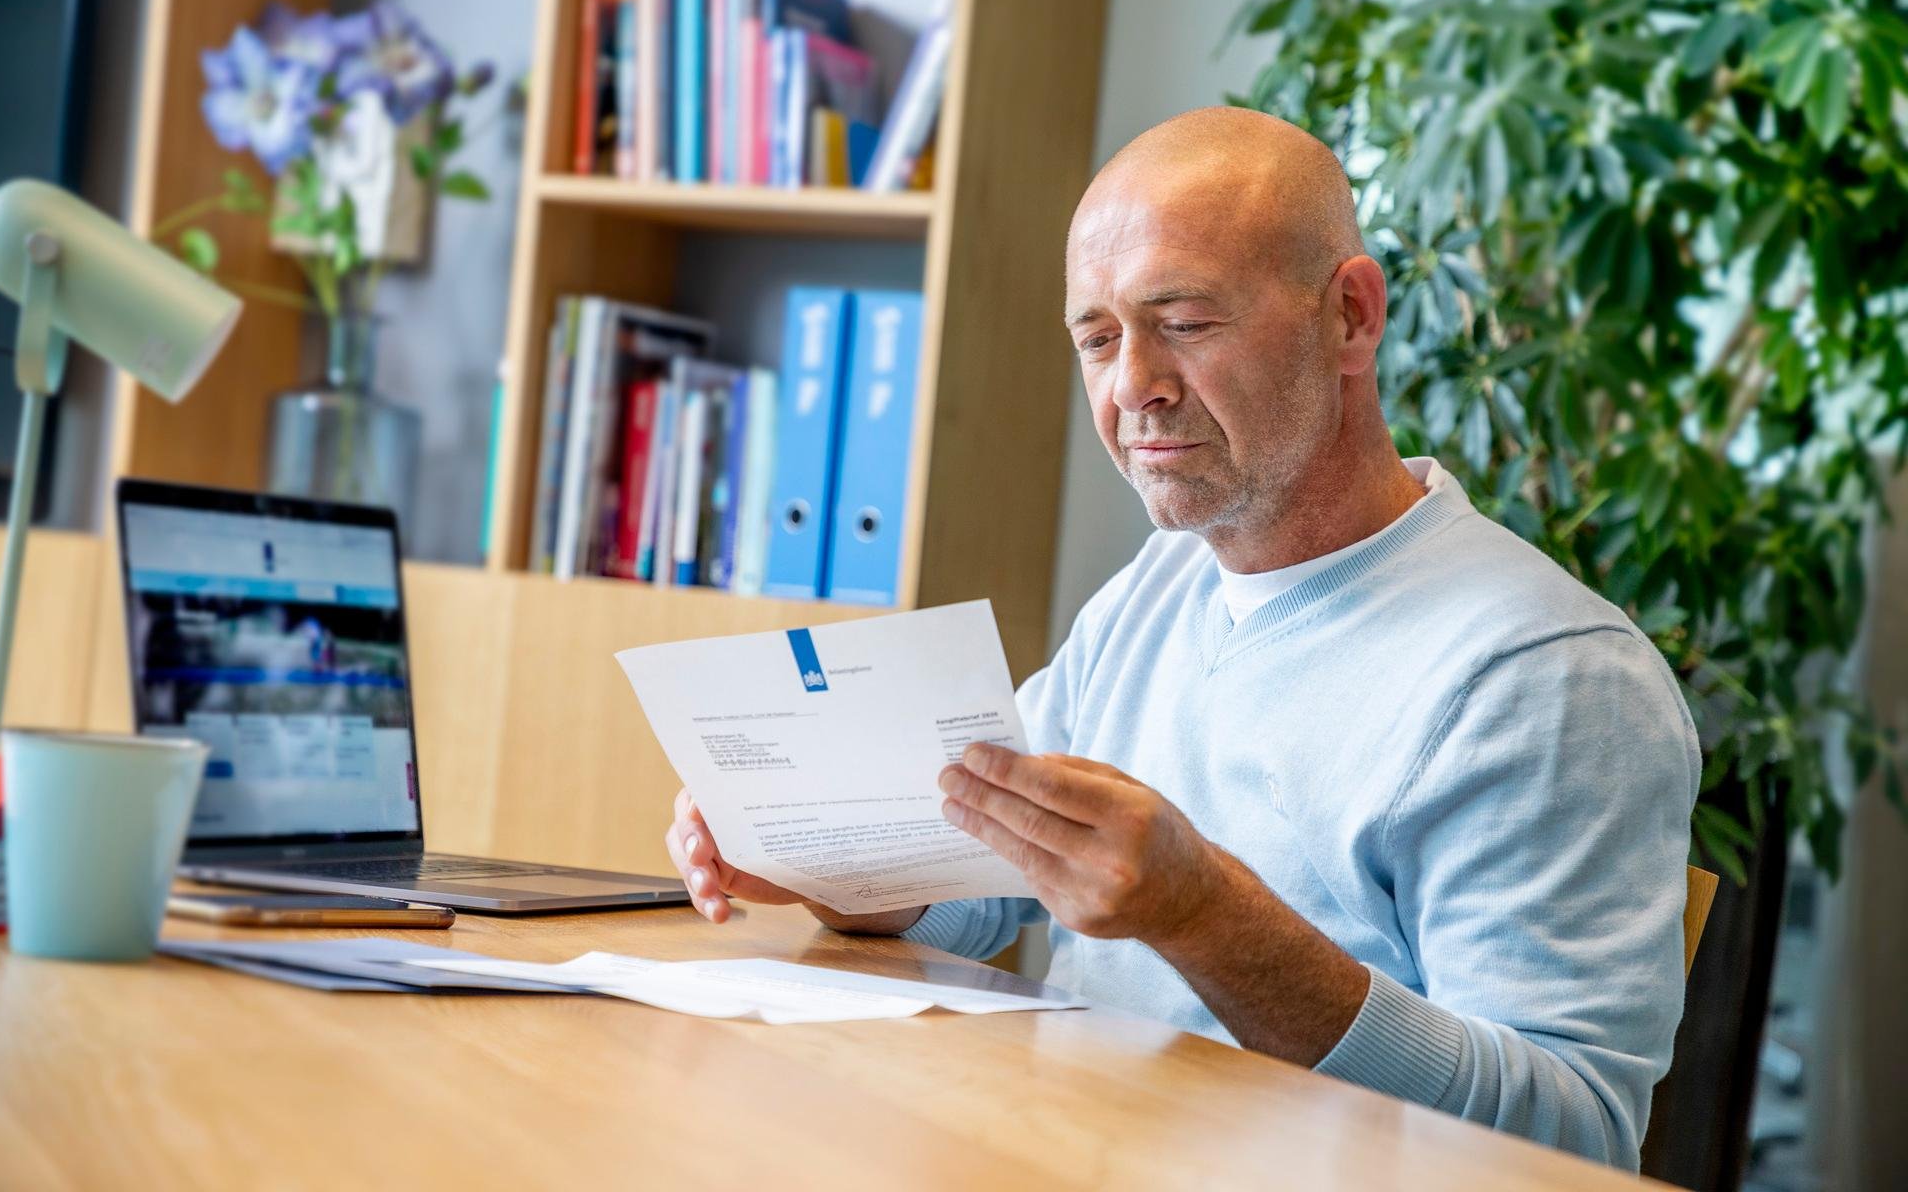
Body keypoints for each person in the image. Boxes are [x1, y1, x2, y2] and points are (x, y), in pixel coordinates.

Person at [664, 107, 1699, 1170]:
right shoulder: (1164, 585)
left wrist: (1205, 914)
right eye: (1099, 337)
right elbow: (991, 892)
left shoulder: (1550, 675)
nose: (1133, 387)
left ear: (1350, 315)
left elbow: (1569, 1140)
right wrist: (829, 857)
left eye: (1187, 321)